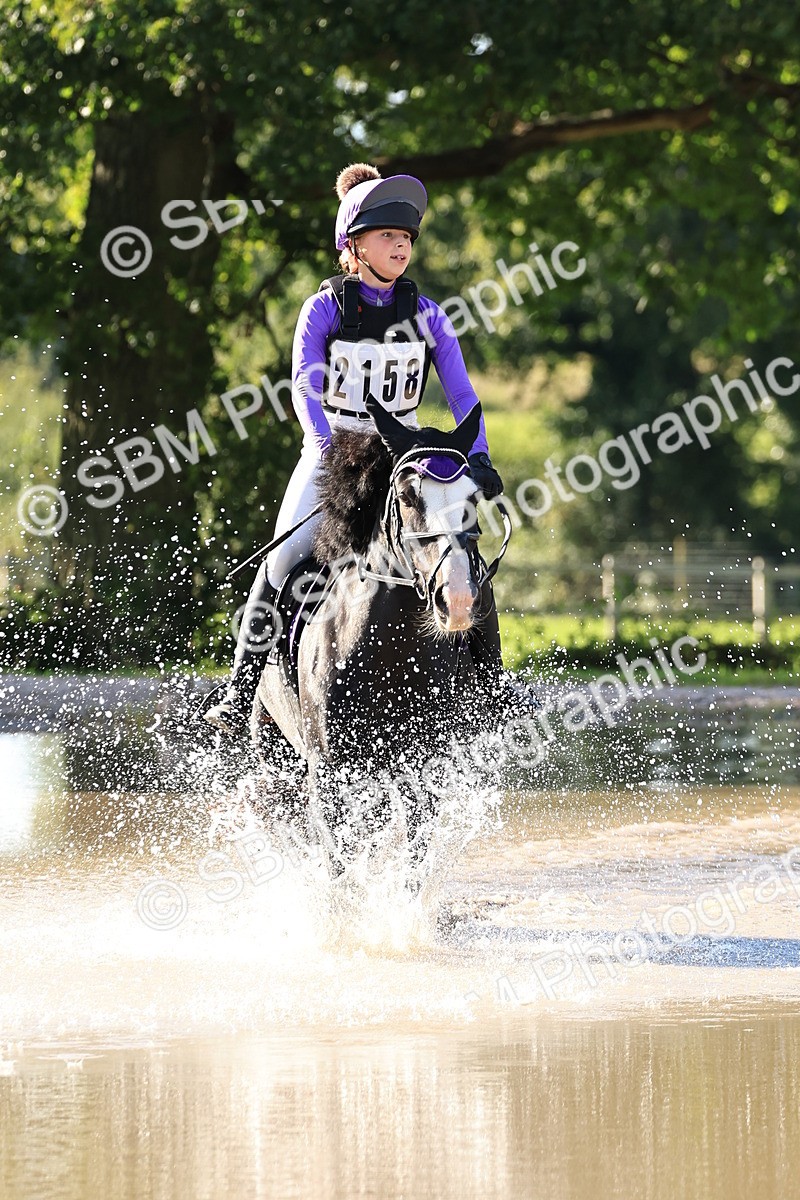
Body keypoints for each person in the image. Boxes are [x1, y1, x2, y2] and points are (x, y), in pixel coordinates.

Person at [205, 163, 505, 735]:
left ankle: (494, 689)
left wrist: (481, 456)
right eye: (388, 236)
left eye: (406, 238)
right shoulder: (324, 310)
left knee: (461, 554)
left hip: (404, 457)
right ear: (353, 245)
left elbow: (463, 393)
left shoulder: (428, 314)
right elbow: (303, 385)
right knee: (281, 562)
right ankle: (241, 688)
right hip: (333, 451)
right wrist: (323, 449)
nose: (400, 246)